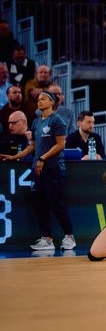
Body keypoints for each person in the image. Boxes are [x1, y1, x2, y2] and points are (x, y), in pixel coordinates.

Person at [1, 91, 75, 252]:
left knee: (56, 202)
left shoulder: (57, 120)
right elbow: (32, 146)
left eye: (43, 99)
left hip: (54, 168)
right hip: (37, 169)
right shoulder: (36, 122)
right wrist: (15, 156)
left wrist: (42, 158)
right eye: (38, 100)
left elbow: (60, 145)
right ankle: (47, 239)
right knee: (39, 204)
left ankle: (69, 236)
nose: (39, 102)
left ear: (52, 102)